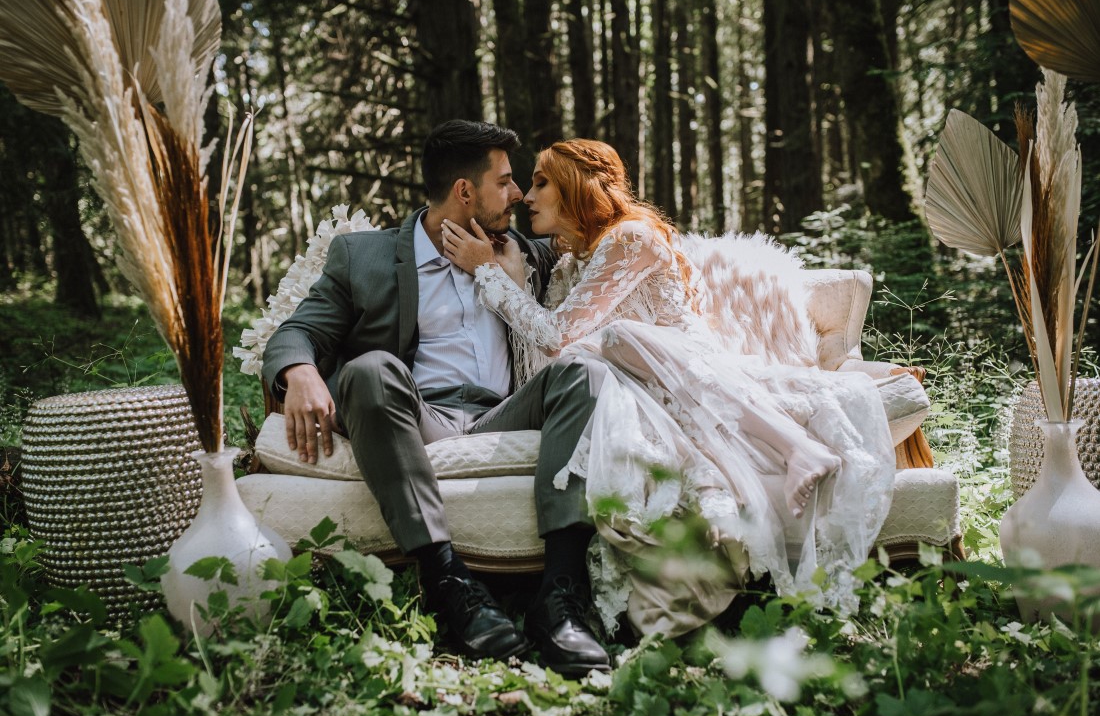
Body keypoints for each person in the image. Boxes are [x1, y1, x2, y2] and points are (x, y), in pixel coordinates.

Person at [441, 138, 895, 637]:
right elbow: (550, 359)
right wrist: (514, 278)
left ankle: (797, 446)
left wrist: (485, 270)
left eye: (542, 183)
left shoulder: (632, 237)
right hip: (639, 389)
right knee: (607, 361)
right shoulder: (571, 264)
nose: (527, 196)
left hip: (698, 379)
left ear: (578, 187)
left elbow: (559, 334)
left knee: (618, 338)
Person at [262, 121, 611, 676]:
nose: (518, 194)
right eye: (505, 181)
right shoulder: (364, 256)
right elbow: (298, 330)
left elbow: (598, 240)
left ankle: (561, 598)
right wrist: (299, 370)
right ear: (464, 193)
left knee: (584, 373)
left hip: (505, 413)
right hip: (420, 417)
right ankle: (448, 580)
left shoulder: (521, 251)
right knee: (371, 370)